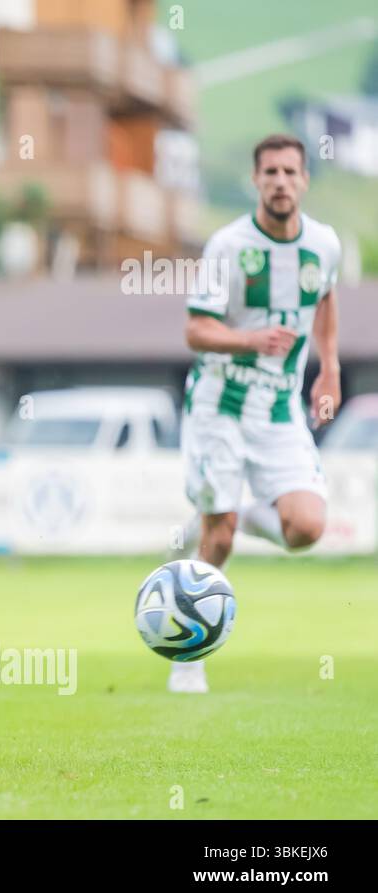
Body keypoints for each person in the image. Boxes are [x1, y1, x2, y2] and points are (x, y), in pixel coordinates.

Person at [175, 133, 342, 694]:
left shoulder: (324, 244)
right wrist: (251, 340)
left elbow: (325, 302)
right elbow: (196, 329)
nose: (280, 181)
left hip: (278, 408)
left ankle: (238, 514)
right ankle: (189, 657)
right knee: (216, 538)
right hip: (217, 405)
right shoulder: (227, 245)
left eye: (290, 172)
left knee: (306, 528)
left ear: (304, 181)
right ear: (256, 180)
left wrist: (330, 369)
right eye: (270, 172)